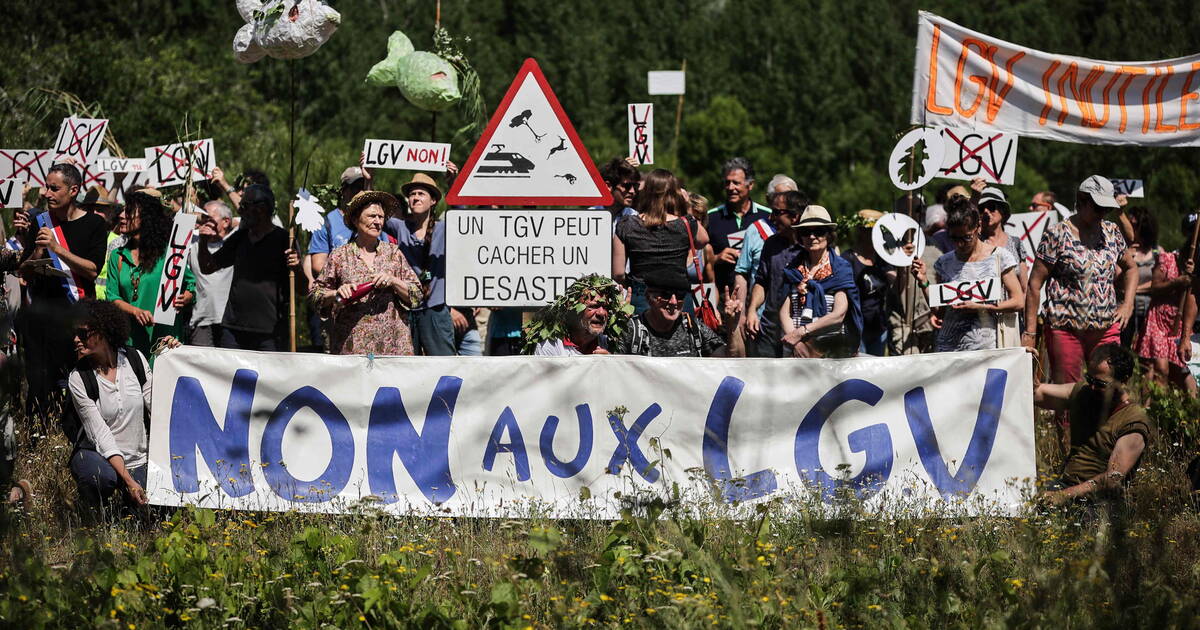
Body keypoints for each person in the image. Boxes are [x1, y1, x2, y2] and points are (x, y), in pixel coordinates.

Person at [13, 163, 108, 421]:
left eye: (54, 188)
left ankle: (74, 432)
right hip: (41, 318)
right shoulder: (41, 222)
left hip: (76, 317)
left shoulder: (94, 225)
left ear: (74, 190)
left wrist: (57, 248)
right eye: (46, 186)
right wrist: (38, 254)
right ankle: (39, 434)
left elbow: (92, 270)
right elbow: (24, 271)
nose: (46, 193)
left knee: (75, 379)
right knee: (39, 382)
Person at [1023, 176, 1138, 388]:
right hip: (1065, 328)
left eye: (1106, 209)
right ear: (1082, 201)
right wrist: (1030, 333)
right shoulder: (1057, 234)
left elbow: (1131, 268)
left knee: (1110, 387)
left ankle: (1104, 422)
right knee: (1068, 393)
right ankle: (1066, 422)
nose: (1102, 214)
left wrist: (1128, 303)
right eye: (1097, 207)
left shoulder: (1112, 232)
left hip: (1106, 327)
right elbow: (1034, 284)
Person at [1034, 344, 1154, 506]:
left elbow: (1112, 478)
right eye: (1089, 379)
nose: (1092, 387)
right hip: (1066, 486)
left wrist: (1062, 495)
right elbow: (1036, 394)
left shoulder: (1133, 420)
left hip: (1101, 501)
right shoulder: (1084, 392)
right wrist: (1026, 362)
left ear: (1123, 381)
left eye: (1100, 384)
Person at [66, 299, 152, 520]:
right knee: (99, 477)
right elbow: (100, 434)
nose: (76, 340)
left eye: (83, 334)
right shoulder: (79, 378)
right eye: (74, 333)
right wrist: (128, 480)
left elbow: (159, 406)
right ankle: (92, 515)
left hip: (140, 459)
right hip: (99, 456)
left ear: (102, 332)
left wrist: (171, 355)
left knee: (146, 518)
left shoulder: (135, 360)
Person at [311, 191, 423, 355]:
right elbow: (315, 296)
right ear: (356, 220)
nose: (377, 222)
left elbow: (417, 295)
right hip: (352, 349)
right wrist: (336, 294)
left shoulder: (393, 253)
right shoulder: (340, 256)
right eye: (372, 216)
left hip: (393, 348)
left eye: (381, 217)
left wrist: (393, 281)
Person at [911, 197, 1024, 352]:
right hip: (949, 348)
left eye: (966, 237)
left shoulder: (1000, 257)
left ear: (978, 227)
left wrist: (982, 307)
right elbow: (940, 311)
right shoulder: (944, 262)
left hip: (985, 348)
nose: (960, 244)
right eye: (955, 238)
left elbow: (1018, 301)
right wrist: (923, 281)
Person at [197, 184, 300, 351]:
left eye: (244, 206)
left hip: (270, 333)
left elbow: (302, 288)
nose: (240, 211)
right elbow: (208, 267)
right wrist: (203, 242)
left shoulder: (284, 240)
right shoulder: (240, 237)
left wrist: (298, 267)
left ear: (261, 209)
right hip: (234, 330)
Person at [105, 190, 195, 358]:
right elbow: (112, 297)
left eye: (129, 211)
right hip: (130, 341)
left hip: (165, 340)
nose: (122, 215)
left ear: (146, 218)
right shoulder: (117, 256)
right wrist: (135, 311)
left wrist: (187, 296)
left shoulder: (170, 254)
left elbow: (190, 284)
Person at [613, 169, 709, 315]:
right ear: (674, 194)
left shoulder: (627, 224)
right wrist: (687, 207)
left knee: (641, 336)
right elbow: (703, 240)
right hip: (678, 298)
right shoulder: (685, 223)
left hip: (641, 296)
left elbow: (618, 273)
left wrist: (632, 285)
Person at [384, 172, 459, 356]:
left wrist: (453, 184)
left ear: (433, 201)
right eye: (412, 194)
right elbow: (373, 212)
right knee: (408, 368)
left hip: (435, 308)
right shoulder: (401, 227)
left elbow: (461, 218)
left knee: (444, 365)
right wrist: (368, 180)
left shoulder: (444, 228)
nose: (415, 197)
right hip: (406, 309)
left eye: (421, 193)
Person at [776, 206, 863, 358]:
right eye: (805, 232)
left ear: (829, 236)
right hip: (796, 350)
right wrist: (796, 342)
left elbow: (839, 314)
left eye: (819, 232)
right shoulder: (792, 269)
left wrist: (801, 332)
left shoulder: (840, 269)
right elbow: (784, 312)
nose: (811, 236)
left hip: (831, 350)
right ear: (800, 236)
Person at [1135, 214, 1197, 395]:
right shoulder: (1166, 258)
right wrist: (1177, 282)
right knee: (1160, 368)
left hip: (1180, 320)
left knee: (1180, 371)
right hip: (1158, 319)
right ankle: (1151, 412)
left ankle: (1175, 412)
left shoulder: (1196, 265)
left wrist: (1192, 278)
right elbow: (1155, 288)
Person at [616, 271, 744, 357]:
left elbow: (732, 361)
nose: (673, 302)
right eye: (665, 295)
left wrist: (733, 326)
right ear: (649, 297)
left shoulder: (693, 328)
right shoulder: (632, 330)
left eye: (680, 296)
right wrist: (615, 325)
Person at [706, 157, 771, 294]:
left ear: (750, 185)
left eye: (736, 183)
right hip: (721, 297)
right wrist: (716, 258)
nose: (730, 188)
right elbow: (694, 258)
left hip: (759, 298)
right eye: (727, 182)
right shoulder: (711, 218)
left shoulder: (767, 217)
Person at [527, 275, 630, 356]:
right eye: (593, 306)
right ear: (571, 307)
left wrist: (609, 363)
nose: (602, 313)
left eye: (606, 307)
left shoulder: (608, 342)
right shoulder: (551, 344)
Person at [842, 210, 895, 356]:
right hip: (857, 328)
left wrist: (901, 258)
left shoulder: (882, 259)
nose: (874, 235)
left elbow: (895, 284)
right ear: (861, 231)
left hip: (879, 327)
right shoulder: (848, 259)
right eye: (870, 230)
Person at [189, 200, 235, 347]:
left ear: (226, 222)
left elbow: (246, 221)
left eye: (210, 218)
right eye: (203, 218)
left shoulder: (233, 243)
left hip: (228, 321)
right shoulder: (192, 242)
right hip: (201, 320)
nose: (205, 222)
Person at [1119, 206, 1159, 349]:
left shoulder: (1157, 252)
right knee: (1123, 345)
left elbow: (1160, 281)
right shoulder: (1124, 251)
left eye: (1135, 225)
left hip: (1148, 307)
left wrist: (1135, 288)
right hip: (1125, 307)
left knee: (1146, 348)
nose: (1132, 228)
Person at [977, 186, 1029, 292]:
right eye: (981, 209)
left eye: (991, 207)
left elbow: (1024, 288)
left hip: (1013, 307)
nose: (986, 211)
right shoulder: (976, 244)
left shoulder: (1016, 243)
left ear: (1003, 211)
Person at [598, 157, 641, 230]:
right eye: (627, 186)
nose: (632, 191)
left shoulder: (636, 218)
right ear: (608, 186)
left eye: (635, 186)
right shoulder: (591, 216)